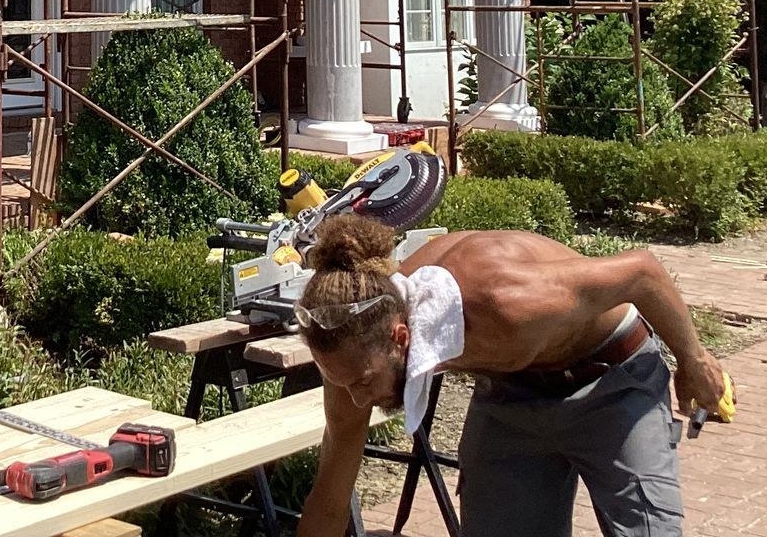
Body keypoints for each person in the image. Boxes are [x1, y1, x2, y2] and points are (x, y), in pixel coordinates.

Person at [291, 214, 729, 537]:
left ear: (401, 337)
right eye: (344, 383)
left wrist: (694, 361)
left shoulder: (507, 300)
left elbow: (642, 272)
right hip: (512, 395)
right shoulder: (350, 349)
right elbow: (330, 500)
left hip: (610, 380)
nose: (357, 398)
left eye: (362, 383)